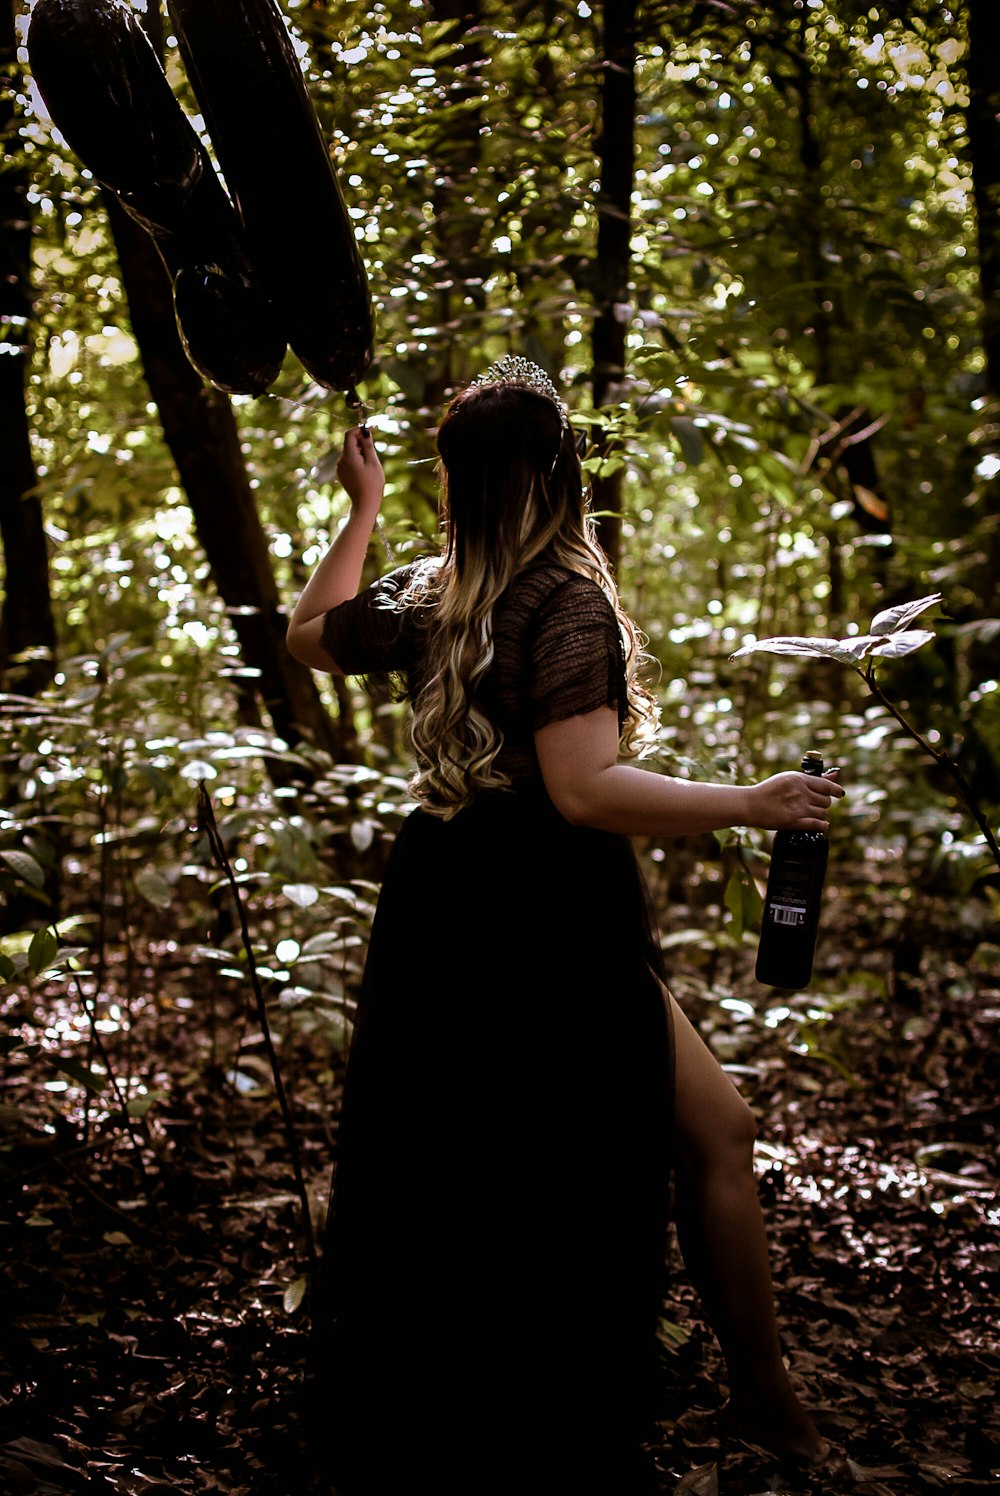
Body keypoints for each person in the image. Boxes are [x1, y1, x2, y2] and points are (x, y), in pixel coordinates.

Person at [286, 358, 843, 1494]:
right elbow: (584, 791)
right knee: (713, 1131)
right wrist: (753, 802)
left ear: (458, 481)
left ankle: (668, 1400)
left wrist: (362, 510)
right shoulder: (562, 597)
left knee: (481, 1169)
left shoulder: (432, 588)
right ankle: (763, 1404)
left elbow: (305, 632)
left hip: (442, 905)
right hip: (541, 913)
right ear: (558, 474)